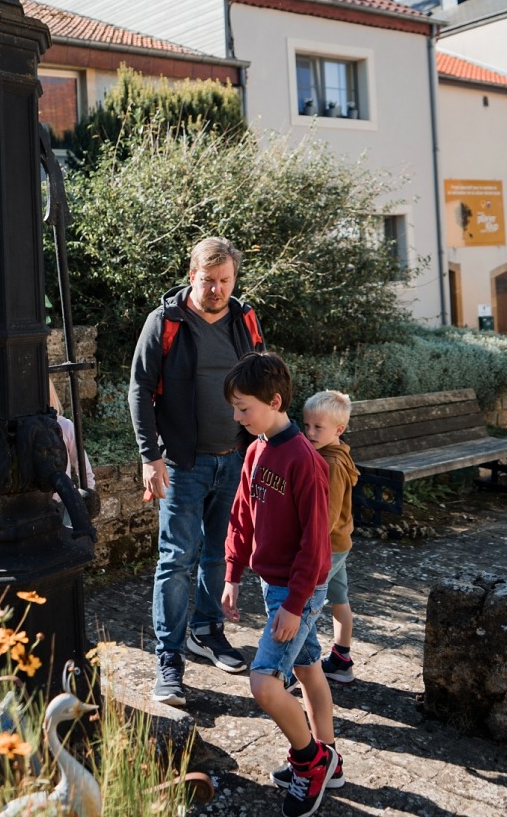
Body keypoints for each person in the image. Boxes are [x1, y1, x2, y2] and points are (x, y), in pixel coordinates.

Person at [129, 237, 264, 706]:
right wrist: (151, 457)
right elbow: (139, 389)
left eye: (225, 281)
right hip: (183, 464)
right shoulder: (165, 322)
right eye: (209, 281)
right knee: (176, 561)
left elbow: (261, 382)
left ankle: (206, 632)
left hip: (235, 457)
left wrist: (265, 443)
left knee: (220, 555)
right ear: (192, 276)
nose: (217, 290)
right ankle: (169, 660)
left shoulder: (244, 320)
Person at [221, 352, 340, 817]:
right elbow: (242, 516)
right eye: (234, 407)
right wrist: (232, 574)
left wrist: (293, 605)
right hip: (277, 587)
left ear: (274, 401)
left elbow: (316, 545)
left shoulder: (304, 460)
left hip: (300, 591)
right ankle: (330, 755)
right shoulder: (255, 450)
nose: (237, 416)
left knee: (265, 684)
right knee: (309, 670)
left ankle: (311, 761)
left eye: (244, 407)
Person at [302, 390, 359, 685]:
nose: (310, 433)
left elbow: (328, 515)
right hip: (340, 544)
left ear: (339, 429)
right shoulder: (334, 453)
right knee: (339, 598)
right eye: (307, 425)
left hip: (329, 547)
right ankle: (341, 659)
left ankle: (297, 664)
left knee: (307, 605)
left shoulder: (332, 463)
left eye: (318, 428)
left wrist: (308, 546)